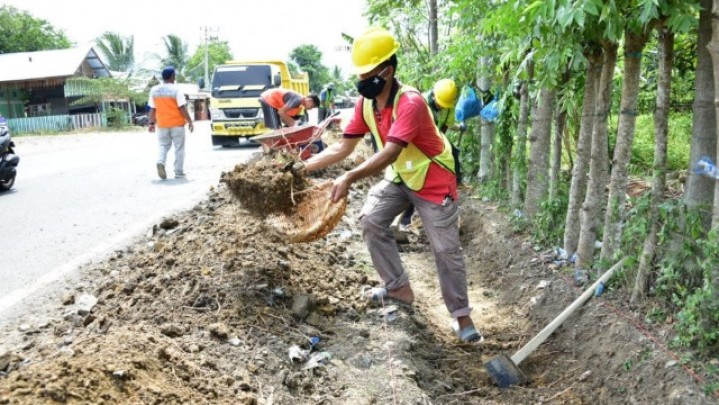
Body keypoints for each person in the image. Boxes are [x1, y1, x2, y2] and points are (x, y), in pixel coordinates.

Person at [302, 27, 483, 343]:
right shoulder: (365, 104)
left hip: (433, 179)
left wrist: (347, 177)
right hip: (401, 176)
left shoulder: (410, 102)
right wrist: (301, 167)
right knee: (371, 220)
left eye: (367, 74)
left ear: (386, 71)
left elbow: (390, 151)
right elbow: (342, 147)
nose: (361, 80)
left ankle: (462, 317)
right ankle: (398, 287)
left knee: (444, 249)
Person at [398, 78, 463, 231]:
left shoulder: (449, 107)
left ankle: (449, 198)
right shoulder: (419, 102)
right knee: (415, 180)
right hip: (416, 142)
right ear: (433, 95)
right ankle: (404, 219)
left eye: (443, 105)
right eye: (439, 103)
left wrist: (439, 151)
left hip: (436, 140)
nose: (441, 107)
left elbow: (444, 129)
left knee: (452, 154)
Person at [148, 67, 194, 180]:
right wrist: (190, 121)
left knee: (163, 146)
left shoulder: (154, 90)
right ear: (173, 76)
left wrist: (151, 123)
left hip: (162, 124)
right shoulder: (176, 90)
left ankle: (160, 162)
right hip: (177, 124)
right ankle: (178, 172)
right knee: (179, 148)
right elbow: (182, 107)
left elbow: (152, 109)